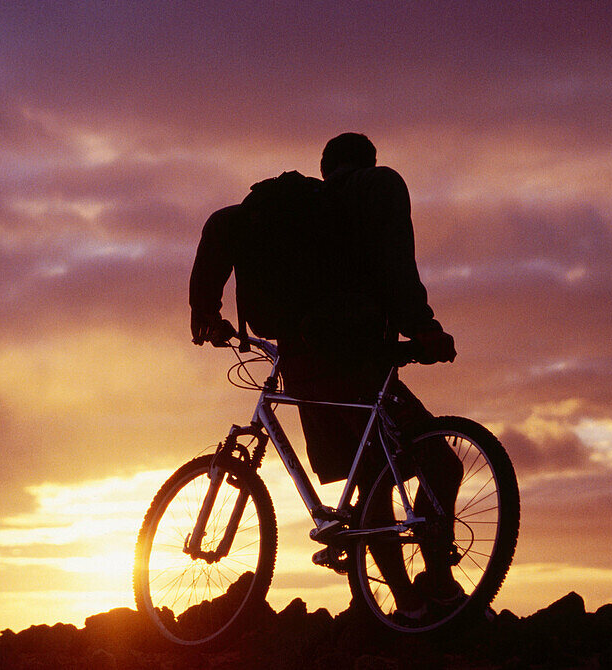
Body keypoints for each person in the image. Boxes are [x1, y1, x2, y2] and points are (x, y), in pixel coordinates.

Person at [188, 132, 461, 621]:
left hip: (302, 365)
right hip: (355, 361)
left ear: (323, 167)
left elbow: (219, 224)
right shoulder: (371, 189)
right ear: (366, 162)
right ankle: (432, 590)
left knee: (373, 476)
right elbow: (397, 263)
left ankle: (406, 604)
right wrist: (423, 328)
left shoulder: (289, 213)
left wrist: (205, 313)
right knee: (436, 464)